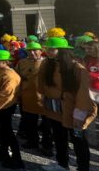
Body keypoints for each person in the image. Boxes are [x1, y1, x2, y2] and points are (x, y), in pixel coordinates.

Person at [38, 37, 97, 171]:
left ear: (62, 50)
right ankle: (62, 164)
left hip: (74, 111)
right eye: (47, 49)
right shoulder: (47, 64)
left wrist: (79, 115)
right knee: (59, 137)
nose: (48, 52)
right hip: (54, 108)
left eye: (52, 49)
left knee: (79, 141)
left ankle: (83, 168)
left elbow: (83, 94)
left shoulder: (77, 68)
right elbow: (41, 85)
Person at [15, 42, 51, 152]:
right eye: (29, 50)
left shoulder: (47, 62)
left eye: (35, 50)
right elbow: (17, 77)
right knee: (30, 122)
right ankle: (32, 141)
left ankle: (47, 145)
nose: (32, 52)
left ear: (41, 51)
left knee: (47, 124)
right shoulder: (22, 62)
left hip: (45, 97)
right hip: (28, 96)